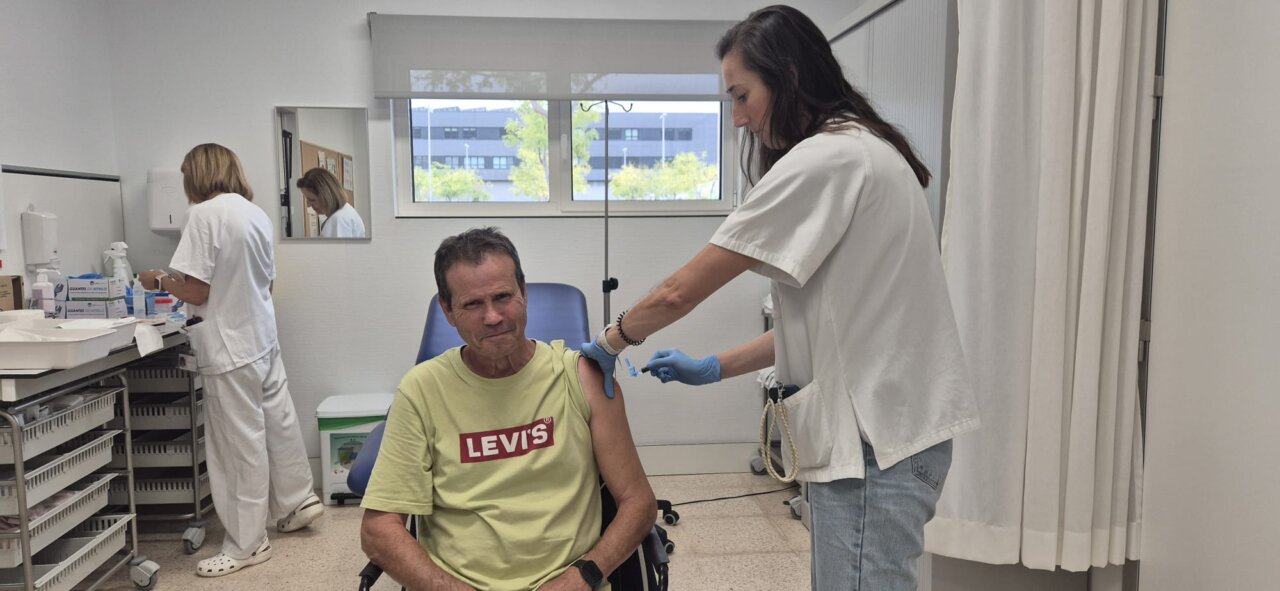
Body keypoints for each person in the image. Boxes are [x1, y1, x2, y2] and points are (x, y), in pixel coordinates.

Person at [580, 6, 981, 590]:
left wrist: (611, 339)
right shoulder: (862, 149)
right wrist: (715, 367)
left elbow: (681, 289)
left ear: (788, 76)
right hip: (890, 438)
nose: (738, 119)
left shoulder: (828, 157)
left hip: (876, 446)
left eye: (742, 96)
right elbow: (824, 326)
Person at [359, 227, 656, 591]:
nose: (493, 317)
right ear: (447, 310)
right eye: (472, 304)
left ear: (524, 293)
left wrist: (585, 575)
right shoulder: (421, 391)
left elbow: (638, 503)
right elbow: (378, 530)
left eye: (503, 297)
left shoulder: (581, 377)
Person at [139, 143, 323, 578]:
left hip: (229, 345)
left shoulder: (204, 215)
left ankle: (247, 543)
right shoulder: (253, 212)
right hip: (261, 336)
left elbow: (197, 291)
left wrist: (157, 278)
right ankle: (298, 502)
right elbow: (267, 283)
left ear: (196, 176)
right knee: (278, 424)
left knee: (236, 446)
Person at [296, 166, 366, 238]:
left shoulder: (339, 219)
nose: (308, 205)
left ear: (326, 196)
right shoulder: (345, 212)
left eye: (312, 200)